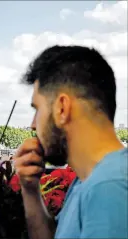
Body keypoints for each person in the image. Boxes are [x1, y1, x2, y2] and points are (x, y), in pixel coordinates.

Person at [13, 45, 127, 239]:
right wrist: (30, 190)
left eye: (37, 109)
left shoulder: (109, 187)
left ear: (62, 108)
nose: (33, 125)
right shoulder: (87, 180)